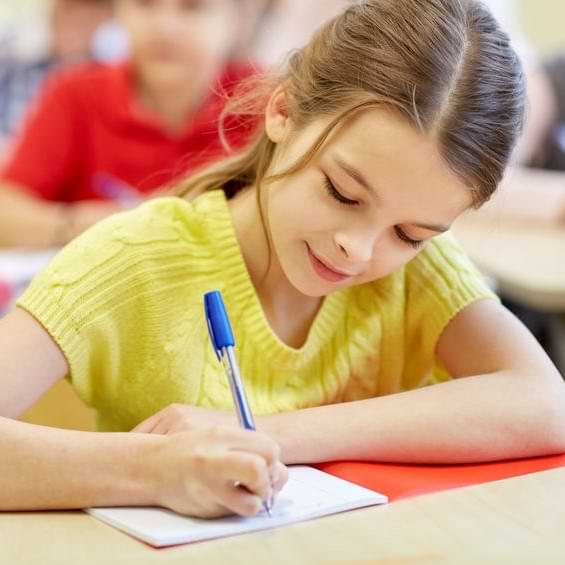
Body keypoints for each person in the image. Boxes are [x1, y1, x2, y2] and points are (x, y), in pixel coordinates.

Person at [2, 0, 565, 519]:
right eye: (342, 193)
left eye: (410, 232)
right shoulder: (137, 256)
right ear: (283, 111)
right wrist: (154, 471)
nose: (359, 249)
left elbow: (547, 404)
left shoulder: (419, 271)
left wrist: (276, 433)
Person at [0, 0, 258, 249]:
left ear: (237, 20)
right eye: (144, 3)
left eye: (193, 6)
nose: (164, 28)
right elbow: (6, 214)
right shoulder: (74, 94)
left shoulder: (264, 104)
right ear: (119, 11)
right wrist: (97, 223)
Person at [0, 0, 114, 145]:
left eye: (87, 19)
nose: (75, 25)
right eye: (69, 13)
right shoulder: (14, 64)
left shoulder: (108, 84)